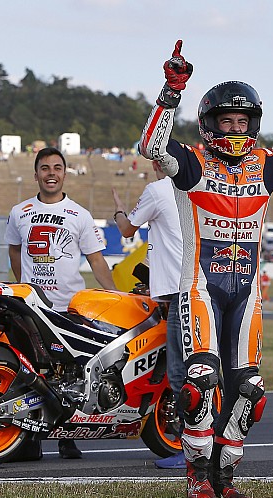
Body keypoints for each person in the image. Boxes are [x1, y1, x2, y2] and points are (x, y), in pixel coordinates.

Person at [139, 39, 273, 498]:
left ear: (253, 124)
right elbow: (151, 144)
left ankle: (225, 474)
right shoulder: (192, 164)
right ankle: (195, 472)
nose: (234, 128)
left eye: (242, 120)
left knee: (250, 392)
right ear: (209, 124)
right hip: (200, 289)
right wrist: (171, 89)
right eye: (225, 120)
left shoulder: (268, 168)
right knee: (199, 383)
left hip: (247, 294)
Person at [5, 146, 117, 461]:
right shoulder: (20, 211)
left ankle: (68, 438)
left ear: (64, 173)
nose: (51, 173)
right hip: (31, 307)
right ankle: (30, 439)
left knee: (70, 375)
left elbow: (96, 260)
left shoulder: (80, 215)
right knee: (32, 373)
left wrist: (115, 294)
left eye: (57, 167)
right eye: (45, 168)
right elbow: (15, 252)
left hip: (69, 308)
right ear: (36, 173)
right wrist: (23, 286)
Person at [112, 160, 186, 470]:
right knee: (194, 369)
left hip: (179, 293)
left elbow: (128, 230)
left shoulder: (157, 190)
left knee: (182, 375)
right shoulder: (193, 188)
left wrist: (118, 212)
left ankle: (193, 449)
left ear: (157, 162)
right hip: (196, 287)